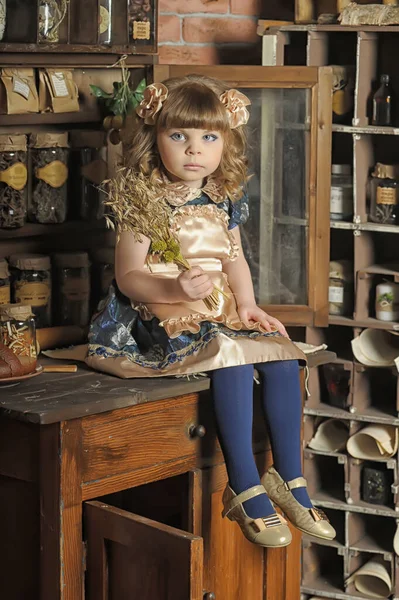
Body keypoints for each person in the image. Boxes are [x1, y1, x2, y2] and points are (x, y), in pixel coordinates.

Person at [87, 74, 336, 548]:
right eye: (178, 136)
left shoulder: (223, 198)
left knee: (282, 354)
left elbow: (233, 259)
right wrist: (173, 283)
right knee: (233, 359)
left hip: (217, 308)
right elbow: (128, 276)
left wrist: (247, 304)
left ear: (226, 141)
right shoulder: (145, 200)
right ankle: (243, 484)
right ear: (154, 137)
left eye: (208, 137)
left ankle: (290, 480)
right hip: (161, 312)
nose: (193, 150)